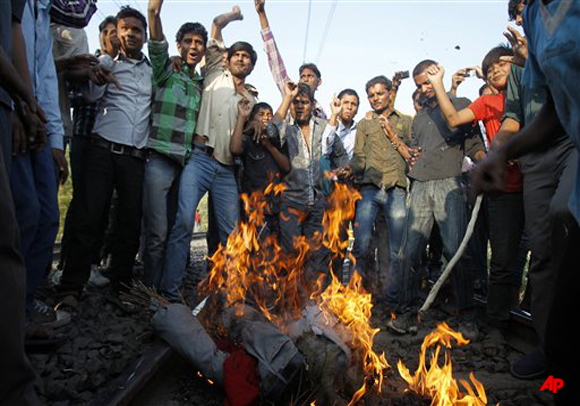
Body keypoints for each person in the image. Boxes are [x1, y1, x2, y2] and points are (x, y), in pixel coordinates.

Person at [471, 2, 580, 403]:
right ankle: (555, 365)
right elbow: (545, 109)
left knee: (562, 215)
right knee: (545, 257)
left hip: (572, 149)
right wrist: (501, 151)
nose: (519, 14)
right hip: (540, 155)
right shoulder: (535, 19)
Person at [426, 46, 526, 352]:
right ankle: (497, 325)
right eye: (490, 68)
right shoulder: (488, 100)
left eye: (502, 65)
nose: (495, 71)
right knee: (503, 262)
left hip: (539, 182)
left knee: (541, 261)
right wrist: (441, 84)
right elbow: (454, 119)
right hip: (504, 190)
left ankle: (531, 317)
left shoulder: (536, 92)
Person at [160, 6, 257, 301]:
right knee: (184, 222)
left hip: (226, 169)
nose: (241, 59)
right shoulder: (215, 70)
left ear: (252, 66)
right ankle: (171, 293)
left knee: (231, 234)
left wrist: (251, 120)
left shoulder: (251, 99)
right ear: (228, 59)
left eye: (247, 57)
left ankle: (230, 295)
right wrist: (235, 14)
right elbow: (215, 25)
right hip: (200, 159)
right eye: (237, 54)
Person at [58, 6, 152, 303]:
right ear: (118, 33)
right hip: (102, 151)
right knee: (88, 217)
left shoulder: (153, 72)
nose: (130, 34)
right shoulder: (105, 63)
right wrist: (98, 75)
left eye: (136, 30)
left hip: (135, 157)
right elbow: (91, 96)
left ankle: (121, 288)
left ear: (145, 36)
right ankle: (71, 287)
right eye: (125, 29)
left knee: (128, 224)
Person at [389, 59, 485, 337]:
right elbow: (417, 150)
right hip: (419, 185)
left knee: (455, 251)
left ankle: (466, 315)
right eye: (419, 85)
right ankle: (406, 313)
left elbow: (474, 145)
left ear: (437, 75)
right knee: (410, 251)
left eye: (427, 82)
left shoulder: (460, 103)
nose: (424, 89)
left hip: (449, 185)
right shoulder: (420, 117)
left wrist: (485, 164)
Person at [143, 0, 207, 290]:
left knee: (176, 229)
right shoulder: (166, 70)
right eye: (189, 41)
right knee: (156, 232)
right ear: (179, 45)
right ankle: (148, 291)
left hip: (186, 165)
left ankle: (167, 291)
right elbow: (154, 27)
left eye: (199, 42)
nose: (194, 46)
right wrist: (154, 10)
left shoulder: (201, 83)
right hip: (159, 158)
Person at [12, 0, 68, 327]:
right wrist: (16, 105)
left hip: (41, 126)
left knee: (47, 217)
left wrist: (57, 141)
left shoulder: (42, 14)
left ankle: (26, 304)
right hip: (15, 114)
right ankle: (14, 315)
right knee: (25, 216)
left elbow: (45, 78)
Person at [0, 0, 42, 402]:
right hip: (10, 100)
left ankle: (22, 319)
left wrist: (23, 101)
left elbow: (17, 41)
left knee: (26, 216)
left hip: (11, 101)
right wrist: (23, 100)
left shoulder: (32, 14)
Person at [58, 15, 120, 286]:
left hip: (109, 145)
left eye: (115, 31)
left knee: (103, 204)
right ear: (101, 37)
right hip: (85, 137)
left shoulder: (126, 67)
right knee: (82, 203)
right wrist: (90, 79)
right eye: (107, 32)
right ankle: (67, 264)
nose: (113, 37)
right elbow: (71, 96)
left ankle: (93, 262)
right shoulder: (89, 64)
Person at [273, 82, 350, 284]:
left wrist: (342, 170)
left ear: (312, 104)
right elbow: (272, 132)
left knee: (317, 254)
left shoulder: (325, 127)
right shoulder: (287, 130)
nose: (299, 106)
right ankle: (291, 301)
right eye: (295, 103)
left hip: (318, 203)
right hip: (291, 201)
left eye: (304, 102)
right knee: (291, 253)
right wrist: (287, 97)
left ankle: (314, 304)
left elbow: (341, 156)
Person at [350, 75, 414, 307]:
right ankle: (361, 295)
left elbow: (412, 153)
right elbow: (359, 157)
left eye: (379, 93)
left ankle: (393, 298)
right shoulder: (365, 124)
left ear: (390, 93)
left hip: (396, 187)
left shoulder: (405, 121)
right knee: (362, 242)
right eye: (371, 95)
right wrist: (349, 168)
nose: (375, 98)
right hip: (370, 189)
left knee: (397, 248)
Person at [255, 0, 326, 118]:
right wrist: (262, 14)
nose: (305, 79)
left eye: (310, 76)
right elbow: (274, 56)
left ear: (319, 82)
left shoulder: (320, 112)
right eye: (303, 76)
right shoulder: (289, 92)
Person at [230, 101, 290, 236]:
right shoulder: (248, 139)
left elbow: (286, 166)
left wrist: (269, 146)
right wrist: (243, 121)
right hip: (253, 206)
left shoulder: (277, 140)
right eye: (261, 114)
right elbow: (234, 149)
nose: (266, 118)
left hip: (275, 205)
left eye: (269, 114)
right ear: (253, 119)